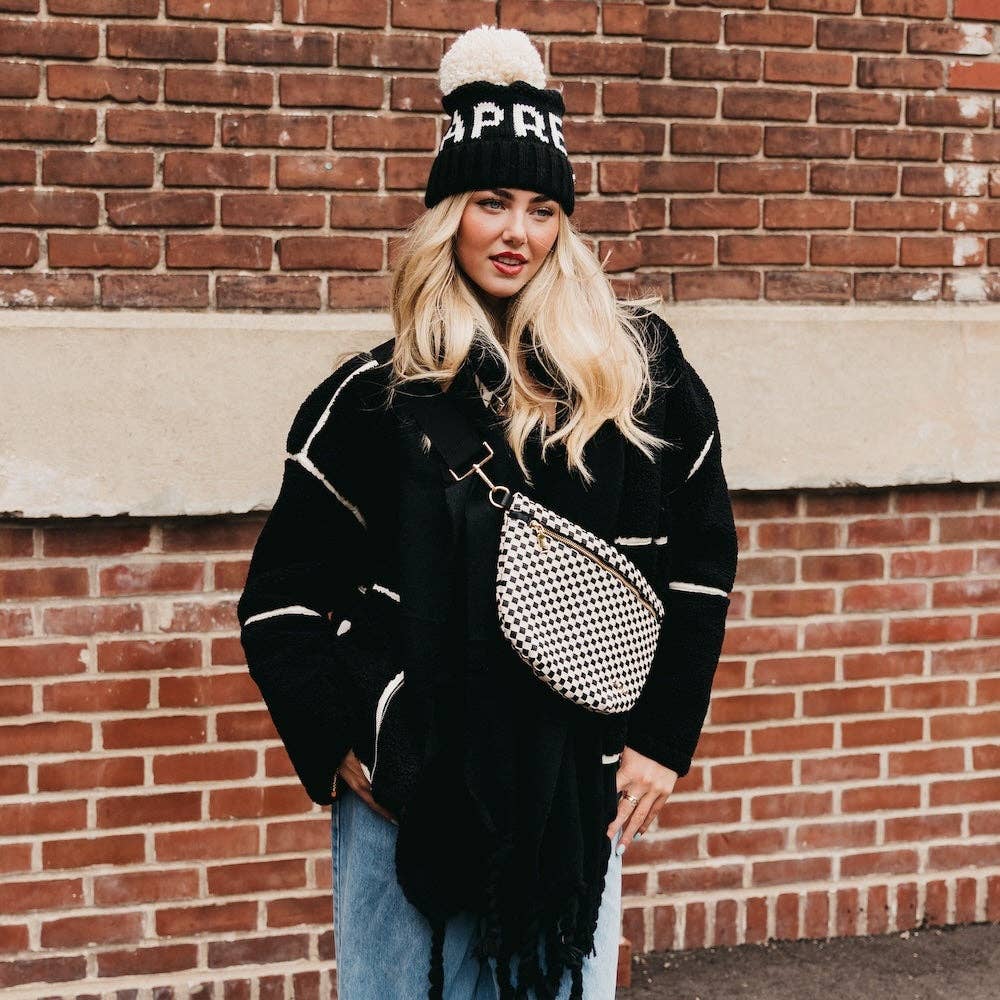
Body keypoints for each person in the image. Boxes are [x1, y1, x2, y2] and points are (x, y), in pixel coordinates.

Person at [237, 24, 739, 1000]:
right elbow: (279, 602)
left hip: (571, 806)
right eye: (490, 202)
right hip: (407, 807)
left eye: (542, 208)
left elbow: (699, 565)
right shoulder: (372, 400)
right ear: (448, 216)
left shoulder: (640, 376)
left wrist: (662, 741)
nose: (517, 232)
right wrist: (346, 744)